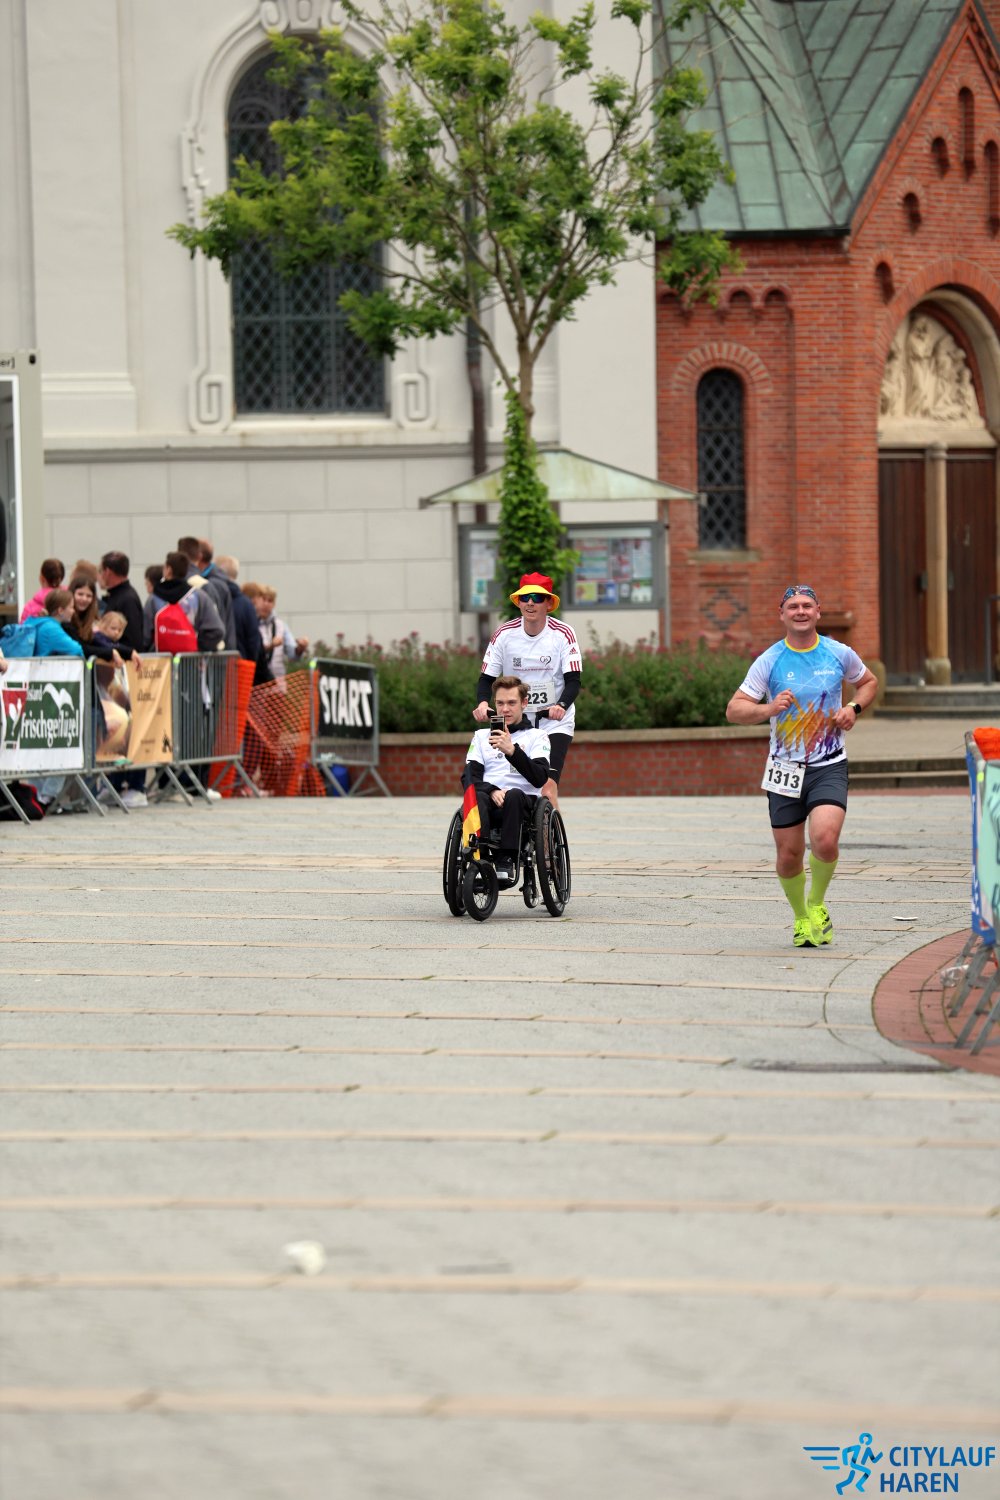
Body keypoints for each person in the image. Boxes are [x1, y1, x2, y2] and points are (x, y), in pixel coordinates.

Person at [726, 584, 878, 948]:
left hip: (828, 764)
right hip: (784, 769)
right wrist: (769, 708)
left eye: (807, 605)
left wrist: (853, 708)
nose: (800, 611)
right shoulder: (770, 660)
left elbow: (868, 683)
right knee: (789, 854)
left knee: (825, 839)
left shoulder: (838, 653)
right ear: (782, 615)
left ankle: (817, 903)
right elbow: (734, 709)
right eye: (792, 606)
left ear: (818, 612)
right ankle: (800, 916)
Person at [474, 572, 581, 809]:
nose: (530, 603)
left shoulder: (563, 633)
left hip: (553, 721)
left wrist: (561, 706)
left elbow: (574, 681)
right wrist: (482, 703)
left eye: (537, 597)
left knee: (547, 786)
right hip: (515, 719)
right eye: (525, 597)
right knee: (511, 783)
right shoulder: (504, 634)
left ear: (549, 603)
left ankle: (550, 833)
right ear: (518, 602)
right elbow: (486, 678)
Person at [464, 675, 550, 883]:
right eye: (500, 703)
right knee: (476, 796)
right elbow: (469, 776)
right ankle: (479, 859)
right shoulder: (481, 736)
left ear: (524, 703)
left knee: (514, 795)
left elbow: (539, 778)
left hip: (523, 803)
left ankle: (506, 859)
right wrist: (492, 790)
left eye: (512, 703)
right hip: (489, 799)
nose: (505, 709)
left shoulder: (537, 736)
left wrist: (512, 751)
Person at [142, 551, 225, 652]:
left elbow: (145, 636)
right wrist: (197, 647)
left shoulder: (154, 599)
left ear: (168, 570)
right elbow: (217, 630)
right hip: (190, 659)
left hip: (161, 659)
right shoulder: (198, 597)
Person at [216, 555, 273, 682]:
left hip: (217, 670)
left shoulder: (214, 597)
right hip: (242, 671)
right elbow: (253, 643)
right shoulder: (245, 605)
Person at [177, 535, 235, 649]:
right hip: (209, 652)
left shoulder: (205, 585)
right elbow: (222, 625)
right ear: (198, 556)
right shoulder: (208, 585)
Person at [255, 585, 308, 680]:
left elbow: (293, 655)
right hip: (256, 683)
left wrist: (300, 648)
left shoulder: (281, 626)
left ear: (274, 604)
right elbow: (252, 653)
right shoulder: (251, 624)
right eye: (263, 599)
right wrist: (271, 646)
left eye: (270, 601)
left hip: (277, 683)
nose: (266, 604)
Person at [97, 552, 144, 651]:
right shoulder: (120, 596)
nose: (99, 576)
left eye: (100, 571)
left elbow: (133, 640)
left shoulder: (127, 600)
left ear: (107, 572)